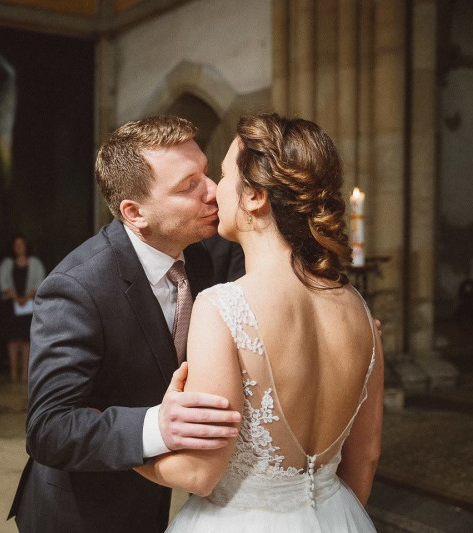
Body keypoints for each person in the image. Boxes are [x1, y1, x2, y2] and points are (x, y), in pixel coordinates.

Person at [136, 113, 384, 532]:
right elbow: (367, 456)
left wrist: (115, 448)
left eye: (223, 175)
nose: (214, 190)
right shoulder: (358, 308)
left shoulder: (223, 308)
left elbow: (199, 473)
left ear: (254, 197)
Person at [8, 115, 242, 533]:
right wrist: (156, 426)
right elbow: (48, 428)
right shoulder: (76, 287)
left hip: (153, 500)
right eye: (189, 185)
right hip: (80, 513)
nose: (213, 191)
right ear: (135, 213)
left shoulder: (202, 255)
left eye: (206, 173)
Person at [0, 234, 45, 383]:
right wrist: (16, 298)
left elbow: (40, 282)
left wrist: (27, 297)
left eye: (21, 244)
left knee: (26, 340)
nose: (19, 248)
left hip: (29, 307)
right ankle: (13, 373)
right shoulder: (6, 263)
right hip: (11, 307)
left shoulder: (35, 263)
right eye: (16, 245)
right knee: (13, 340)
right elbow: (3, 283)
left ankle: (25, 373)